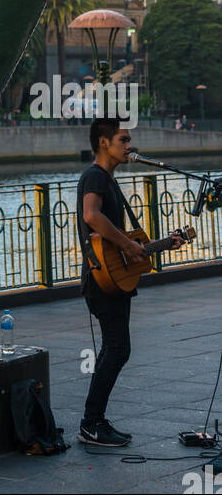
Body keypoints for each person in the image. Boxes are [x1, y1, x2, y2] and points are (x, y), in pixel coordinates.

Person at [75, 120, 183, 446]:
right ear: (104, 142)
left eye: (129, 140)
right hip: (101, 281)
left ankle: (94, 422)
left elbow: (123, 241)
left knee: (115, 348)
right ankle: (91, 423)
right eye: (123, 140)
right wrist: (126, 244)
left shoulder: (107, 179)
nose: (129, 145)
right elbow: (91, 216)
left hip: (112, 278)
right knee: (117, 348)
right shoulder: (95, 176)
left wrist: (161, 243)